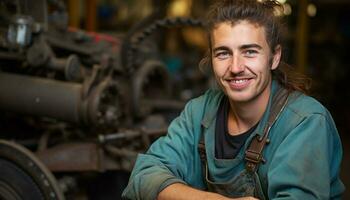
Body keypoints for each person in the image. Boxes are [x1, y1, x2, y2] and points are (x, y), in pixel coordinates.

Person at [122, 0, 345, 199]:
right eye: (223, 53)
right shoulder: (199, 111)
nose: (236, 67)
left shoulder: (305, 122)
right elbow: (144, 175)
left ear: (274, 57)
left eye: (249, 52)